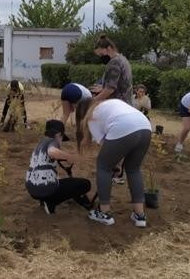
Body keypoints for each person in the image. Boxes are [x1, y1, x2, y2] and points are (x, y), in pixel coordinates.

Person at [75, 98, 152, 226]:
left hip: (123, 126)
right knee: (133, 169)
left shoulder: (92, 115)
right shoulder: (109, 104)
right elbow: (115, 148)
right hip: (145, 126)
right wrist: (117, 164)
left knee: (103, 166)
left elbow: (107, 147)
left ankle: (104, 213)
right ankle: (140, 216)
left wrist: (114, 165)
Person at [25, 120, 92, 214]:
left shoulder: (40, 145)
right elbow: (52, 151)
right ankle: (51, 202)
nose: (61, 142)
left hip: (32, 189)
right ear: (58, 135)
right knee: (86, 184)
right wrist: (69, 157)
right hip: (45, 189)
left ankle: (43, 199)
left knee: (56, 180)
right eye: (61, 138)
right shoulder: (53, 141)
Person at [90, 35, 133, 104]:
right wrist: (103, 87)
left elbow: (109, 89)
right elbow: (120, 83)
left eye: (101, 54)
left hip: (118, 105)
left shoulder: (114, 62)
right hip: (127, 102)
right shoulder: (122, 59)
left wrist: (92, 102)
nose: (101, 57)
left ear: (108, 48)